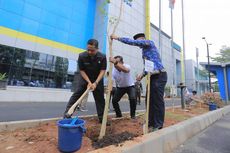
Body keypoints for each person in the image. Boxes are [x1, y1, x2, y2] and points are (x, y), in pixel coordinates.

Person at [111, 33, 167, 131]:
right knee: (149, 100)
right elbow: (149, 67)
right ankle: (150, 122)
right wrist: (142, 75)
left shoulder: (149, 43)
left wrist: (118, 38)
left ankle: (158, 124)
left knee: (157, 101)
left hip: (159, 76)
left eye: (139, 41)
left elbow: (133, 42)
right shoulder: (144, 52)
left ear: (142, 39)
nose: (138, 44)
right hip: (152, 77)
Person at [63, 39, 107, 123]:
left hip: (97, 79)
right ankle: (67, 115)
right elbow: (82, 70)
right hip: (85, 78)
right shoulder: (82, 56)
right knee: (76, 95)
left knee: (100, 99)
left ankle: (102, 119)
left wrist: (96, 82)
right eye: (88, 50)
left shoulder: (102, 57)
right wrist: (89, 82)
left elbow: (103, 71)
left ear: (97, 49)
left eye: (92, 50)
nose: (90, 52)